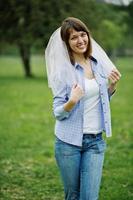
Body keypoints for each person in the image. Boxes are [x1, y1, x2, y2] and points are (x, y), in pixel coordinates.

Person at [45, 17, 121, 200]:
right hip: (68, 143)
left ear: (88, 35)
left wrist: (111, 88)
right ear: (67, 43)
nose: (80, 41)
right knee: (73, 195)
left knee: (89, 197)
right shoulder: (64, 71)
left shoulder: (98, 65)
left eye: (82, 34)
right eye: (73, 38)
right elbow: (58, 112)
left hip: (95, 142)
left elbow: (99, 101)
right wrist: (72, 101)